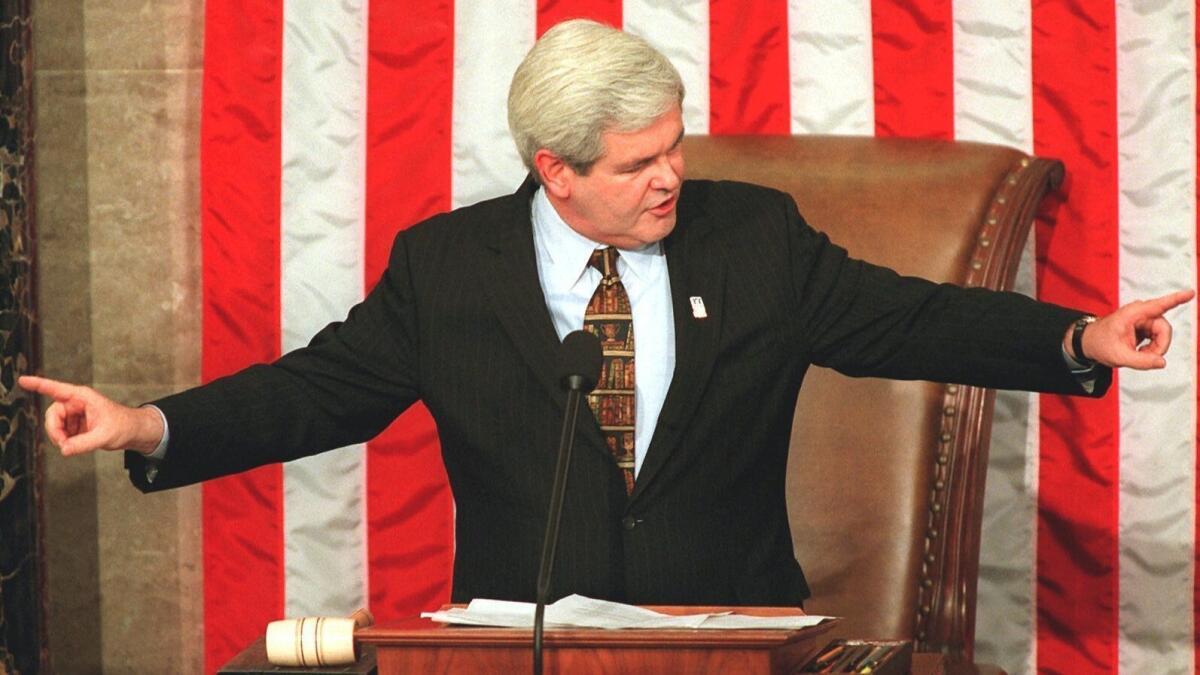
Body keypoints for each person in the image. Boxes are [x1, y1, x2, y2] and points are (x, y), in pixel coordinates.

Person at [20, 20, 1192, 607]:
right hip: (528, 646)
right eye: (638, 164)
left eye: (674, 146)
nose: (671, 177)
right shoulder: (449, 267)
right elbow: (326, 389)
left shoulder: (752, 234)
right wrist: (144, 426)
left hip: (733, 637)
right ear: (556, 169)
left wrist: (1076, 338)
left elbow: (899, 321)